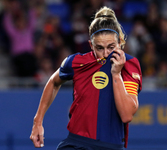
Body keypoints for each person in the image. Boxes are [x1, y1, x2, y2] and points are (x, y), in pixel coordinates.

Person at [30, 6, 142, 150]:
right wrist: (37, 121)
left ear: (120, 42)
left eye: (111, 46)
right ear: (91, 45)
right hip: (76, 143)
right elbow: (53, 82)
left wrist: (116, 74)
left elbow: (127, 115)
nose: (106, 53)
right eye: (99, 48)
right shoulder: (76, 62)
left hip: (110, 146)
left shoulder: (130, 64)